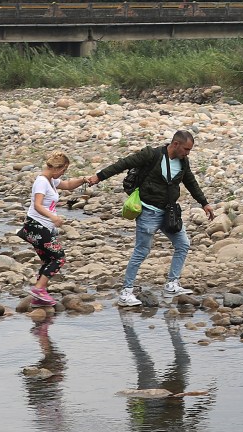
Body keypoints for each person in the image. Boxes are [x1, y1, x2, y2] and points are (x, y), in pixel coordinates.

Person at [88, 130, 215, 306]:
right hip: (148, 211)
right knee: (142, 251)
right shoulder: (152, 155)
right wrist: (98, 177)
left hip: (169, 212)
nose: (188, 153)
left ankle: (172, 284)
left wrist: (204, 203)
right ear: (176, 144)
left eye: (189, 150)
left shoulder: (183, 161)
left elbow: (190, 182)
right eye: (186, 149)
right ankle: (126, 293)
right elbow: (123, 164)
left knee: (183, 244)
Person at [19, 152, 88, 307]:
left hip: (42, 226)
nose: (64, 173)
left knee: (48, 260)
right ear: (58, 168)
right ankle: (38, 289)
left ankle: (38, 298)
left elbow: (69, 185)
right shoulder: (42, 182)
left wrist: (83, 180)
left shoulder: (51, 180)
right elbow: (37, 205)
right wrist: (53, 217)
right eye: (64, 170)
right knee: (58, 258)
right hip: (36, 225)